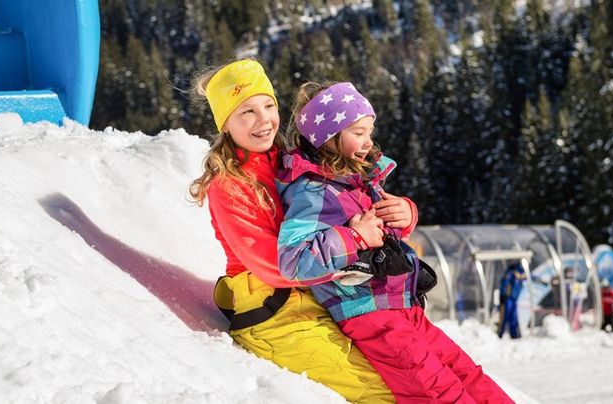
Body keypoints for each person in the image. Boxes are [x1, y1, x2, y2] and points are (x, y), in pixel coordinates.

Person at [276, 81, 511, 403]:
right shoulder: (312, 192)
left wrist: (405, 214)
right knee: (437, 392)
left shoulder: (356, 182)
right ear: (328, 138)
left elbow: (381, 236)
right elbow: (293, 261)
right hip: (370, 314)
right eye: (358, 132)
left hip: (402, 305)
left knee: (467, 375)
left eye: (369, 131)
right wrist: (355, 236)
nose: (368, 141)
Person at [190, 60, 396, 403]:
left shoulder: (290, 162)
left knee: (405, 371)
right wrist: (354, 238)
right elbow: (274, 264)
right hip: (273, 312)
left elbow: (351, 201)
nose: (264, 120)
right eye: (247, 112)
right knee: (380, 390)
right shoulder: (229, 185)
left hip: (321, 293)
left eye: (268, 105)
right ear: (225, 124)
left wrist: (402, 214)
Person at [497, 263, 526, 339]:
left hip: (514, 300)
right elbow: (504, 284)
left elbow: (528, 277)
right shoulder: (509, 275)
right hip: (507, 299)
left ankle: (514, 335)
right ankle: (499, 334)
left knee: (514, 317)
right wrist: (503, 296)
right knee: (504, 317)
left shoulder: (520, 276)